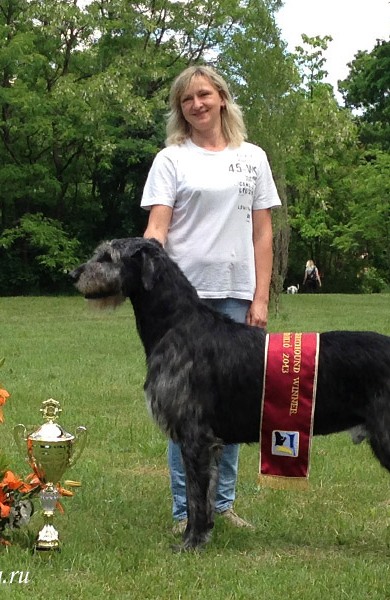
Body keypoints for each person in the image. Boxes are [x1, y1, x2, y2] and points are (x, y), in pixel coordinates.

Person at [141, 65, 281, 533]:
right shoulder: (171, 159)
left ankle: (221, 505)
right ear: (180, 110)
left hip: (236, 296)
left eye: (204, 95)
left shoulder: (253, 157)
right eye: (186, 100)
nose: (197, 105)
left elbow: (263, 233)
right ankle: (186, 512)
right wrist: (146, 268)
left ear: (221, 97)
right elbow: (157, 228)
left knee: (237, 402)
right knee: (185, 409)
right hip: (183, 305)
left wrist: (260, 297)